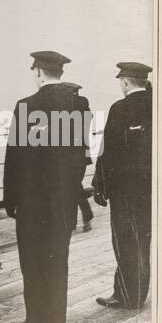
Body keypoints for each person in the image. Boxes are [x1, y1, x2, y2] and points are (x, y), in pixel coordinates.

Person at [3, 51, 91, 323]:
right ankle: (55, 320)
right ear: (60, 72)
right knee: (58, 256)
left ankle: (37, 320)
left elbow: (14, 158)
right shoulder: (79, 104)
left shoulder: (26, 105)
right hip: (64, 198)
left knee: (33, 258)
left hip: (31, 200)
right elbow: (80, 154)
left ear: (39, 72)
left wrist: (10, 198)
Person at [92, 61, 154, 309]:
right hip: (151, 188)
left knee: (125, 240)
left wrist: (100, 186)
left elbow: (108, 152)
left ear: (126, 82)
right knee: (143, 239)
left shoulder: (120, 108)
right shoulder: (156, 105)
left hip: (125, 192)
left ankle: (128, 296)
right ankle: (137, 293)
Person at [64, 82, 95, 232]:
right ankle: (84, 217)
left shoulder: (66, 108)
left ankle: (76, 220)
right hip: (83, 153)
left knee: (72, 185)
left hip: (69, 154)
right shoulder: (84, 105)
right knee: (75, 184)